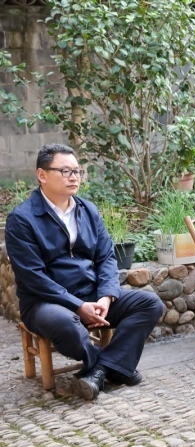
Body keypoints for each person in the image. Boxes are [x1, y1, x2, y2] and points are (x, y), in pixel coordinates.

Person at [5, 143, 164, 400]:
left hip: (91, 294)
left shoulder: (87, 210)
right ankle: (113, 366)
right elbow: (32, 277)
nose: (74, 177)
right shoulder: (22, 219)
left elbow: (106, 257)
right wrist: (77, 306)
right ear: (42, 175)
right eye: (65, 171)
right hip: (45, 303)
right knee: (67, 324)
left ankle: (99, 371)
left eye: (77, 171)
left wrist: (106, 297)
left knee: (150, 303)